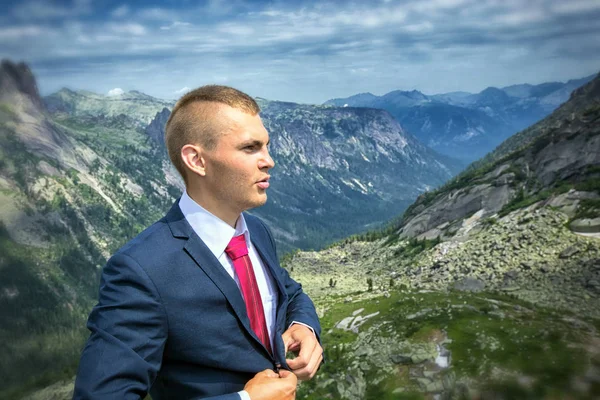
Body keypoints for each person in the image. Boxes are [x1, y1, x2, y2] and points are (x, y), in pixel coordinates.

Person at [73, 85, 323, 399]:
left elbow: (289, 291)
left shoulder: (257, 232)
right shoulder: (141, 270)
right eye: (250, 148)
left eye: (267, 146)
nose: (269, 160)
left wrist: (304, 326)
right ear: (197, 160)